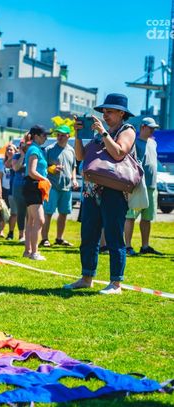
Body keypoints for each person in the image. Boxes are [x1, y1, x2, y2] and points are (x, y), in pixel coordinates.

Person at [64, 93, 137, 295]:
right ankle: (87, 278)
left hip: (114, 191)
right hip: (91, 191)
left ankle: (116, 283)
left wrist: (103, 132)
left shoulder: (127, 130)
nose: (105, 115)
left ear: (121, 113)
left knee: (114, 237)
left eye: (110, 111)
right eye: (104, 111)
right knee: (88, 236)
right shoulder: (99, 134)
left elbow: (119, 153)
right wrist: (78, 135)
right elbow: (80, 156)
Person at [124, 117, 162, 256]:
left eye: (154, 128)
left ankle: (145, 246)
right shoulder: (134, 142)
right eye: (150, 128)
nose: (153, 130)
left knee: (147, 217)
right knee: (130, 216)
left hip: (152, 186)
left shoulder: (153, 143)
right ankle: (127, 246)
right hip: (138, 186)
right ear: (143, 127)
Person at [41, 124, 77, 247]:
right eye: (58, 135)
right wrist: (51, 169)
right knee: (48, 213)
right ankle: (44, 239)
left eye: (62, 135)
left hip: (67, 187)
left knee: (64, 213)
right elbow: (42, 167)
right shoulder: (49, 149)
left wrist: (74, 179)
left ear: (68, 136)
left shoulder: (71, 150)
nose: (59, 137)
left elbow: (73, 167)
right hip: (52, 186)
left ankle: (59, 238)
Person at [23, 125, 50, 261]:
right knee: (39, 220)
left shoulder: (35, 148)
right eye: (44, 135)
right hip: (33, 185)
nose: (46, 138)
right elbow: (31, 171)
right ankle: (34, 253)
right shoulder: (34, 149)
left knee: (31, 221)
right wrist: (45, 179)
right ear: (36, 136)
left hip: (31, 186)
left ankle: (28, 251)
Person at [11, 139, 28, 242]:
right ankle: (21, 235)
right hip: (18, 186)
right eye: (21, 146)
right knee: (21, 211)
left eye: (24, 145)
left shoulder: (32, 155)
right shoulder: (16, 156)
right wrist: (22, 155)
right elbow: (16, 168)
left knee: (30, 212)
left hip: (29, 186)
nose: (23, 147)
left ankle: (29, 234)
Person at [1, 144, 17, 238]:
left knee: (14, 213)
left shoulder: (17, 161)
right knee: (3, 212)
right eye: (8, 150)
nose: (9, 151)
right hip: (4, 189)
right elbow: (0, 176)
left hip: (13, 189)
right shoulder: (3, 163)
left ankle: (11, 232)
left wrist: (13, 157)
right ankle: (1, 232)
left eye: (11, 150)